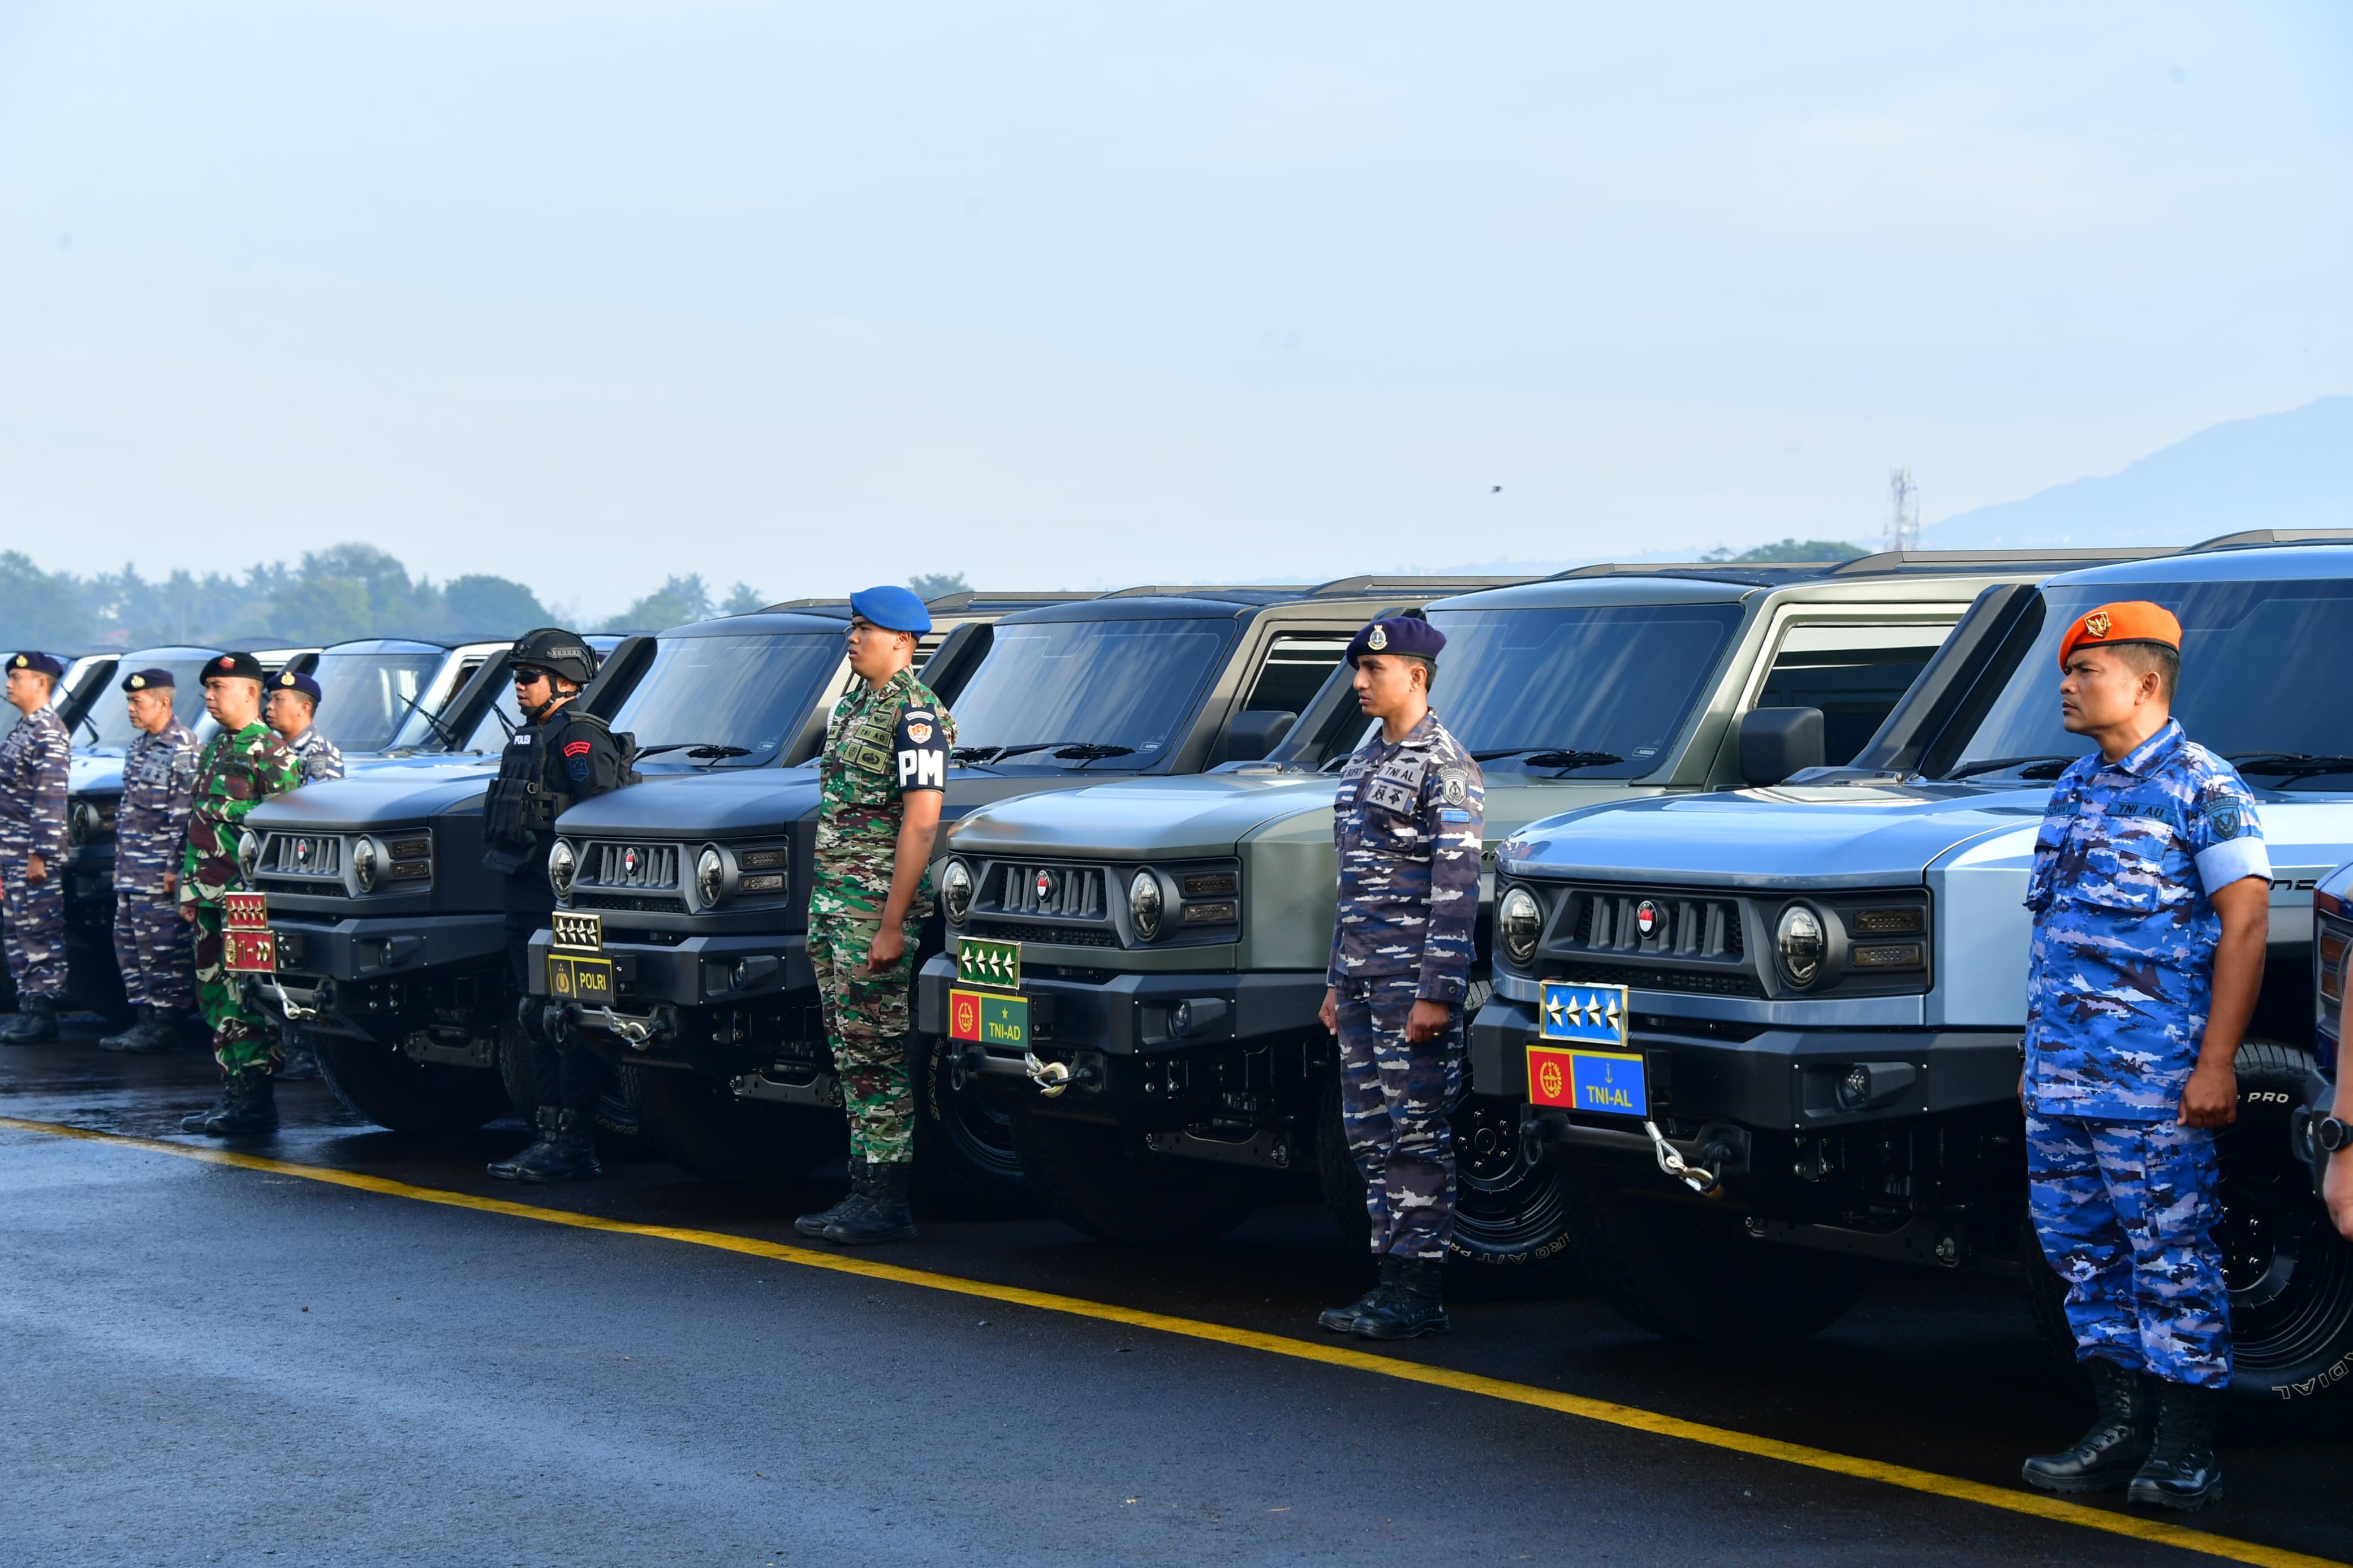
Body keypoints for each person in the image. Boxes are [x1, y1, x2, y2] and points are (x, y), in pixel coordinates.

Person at [2017, 602, 2269, 1513]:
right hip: (2062, 1080)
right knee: (2084, 1256)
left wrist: (2216, 1064)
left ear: (2147, 682)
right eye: (2068, 673)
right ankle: (2120, 1430)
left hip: (2155, 1081)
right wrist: (2034, 1070)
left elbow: (2244, 926)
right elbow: (2058, 935)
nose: (2068, 687)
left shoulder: (2205, 788)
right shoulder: (2077, 786)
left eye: (2086, 672)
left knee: (2172, 1258)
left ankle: (2185, 1448)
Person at [1313, 614, 1483, 1340]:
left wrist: (1436, 992)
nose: (1357, 682)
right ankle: (1390, 1281)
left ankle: (1418, 1290)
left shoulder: (1446, 765)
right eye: (1357, 669)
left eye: (1371, 671)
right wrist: (1332, 979)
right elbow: (1350, 883)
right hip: (1358, 979)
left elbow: (1457, 887)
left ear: (1414, 675)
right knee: (1369, 1133)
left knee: (1415, 1133)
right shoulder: (1363, 761)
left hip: (1407, 984)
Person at [792, 586, 954, 1246]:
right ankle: (863, 1187)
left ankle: (885, 1200)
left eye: (865, 628)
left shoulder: (916, 714)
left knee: (878, 1051)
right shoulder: (855, 704)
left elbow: (920, 824)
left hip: (872, 910)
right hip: (834, 907)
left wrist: (893, 924)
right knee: (848, 1045)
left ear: (903, 642)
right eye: (852, 627)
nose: (851, 638)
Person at [481, 630, 630, 1183]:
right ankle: (549, 1134)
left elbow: (600, 822)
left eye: (528, 677)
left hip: (562, 904)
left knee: (566, 1018)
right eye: (515, 678)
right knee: (534, 1015)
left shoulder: (580, 740)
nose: (518, 687)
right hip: (522, 893)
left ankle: (574, 1141)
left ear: (565, 681)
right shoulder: (528, 738)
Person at [178, 653, 305, 1134]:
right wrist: (190, 892)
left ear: (251, 692)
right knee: (216, 995)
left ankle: (255, 1099)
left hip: (247, 902)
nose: (209, 696)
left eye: (218, 687)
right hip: (211, 897)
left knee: (247, 996)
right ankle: (232, 1090)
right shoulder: (216, 748)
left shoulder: (271, 753)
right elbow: (202, 824)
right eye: (207, 688)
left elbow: (285, 834)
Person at [98, 668, 199, 1055]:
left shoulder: (183, 747)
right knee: (131, 946)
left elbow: (184, 816)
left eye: (137, 701)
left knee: (162, 948)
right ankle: (145, 1018)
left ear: (164, 702)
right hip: (131, 870)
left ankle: (166, 1021)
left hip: (159, 871)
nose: (130, 708)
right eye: (128, 701)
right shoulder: (139, 747)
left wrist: (175, 867)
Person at [0, 651, 72, 1045]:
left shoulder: (48, 731)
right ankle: (28, 1007)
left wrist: (40, 854)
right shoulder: (24, 729)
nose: (8, 684)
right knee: (17, 932)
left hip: (31, 856)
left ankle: (42, 1011)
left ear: (40, 683)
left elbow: (49, 798)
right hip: (11, 853)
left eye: (16, 676)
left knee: (38, 931)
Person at [265, 669, 344, 784]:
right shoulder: (273, 746)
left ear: (304, 708)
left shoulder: (320, 754)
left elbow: (319, 800)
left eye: (278, 699)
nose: (269, 706)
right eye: (270, 699)